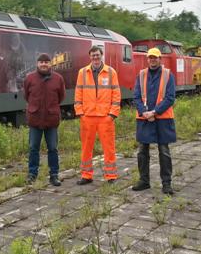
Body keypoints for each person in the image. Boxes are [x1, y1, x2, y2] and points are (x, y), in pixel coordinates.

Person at [132, 47, 177, 195]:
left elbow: (170, 98)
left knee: (164, 151)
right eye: (150, 57)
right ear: (147, 59)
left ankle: (166, 183)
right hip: (144, 118)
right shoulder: (141, 75)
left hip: (162, 118)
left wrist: (154, 112)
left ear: (160, 59)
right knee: (142, 151)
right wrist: (144, 112)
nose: (152, 60)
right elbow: (137, 97)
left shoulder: (168, 75)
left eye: (155, 57)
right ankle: (144, 181)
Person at [74, 45, 121, 185]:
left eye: (97, 55)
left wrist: (112, 114)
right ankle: (86, 175)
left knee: (109, 148)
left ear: (102, 56)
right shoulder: (82, 72)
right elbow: (78, 93)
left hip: (105, 117)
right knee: (86, 148)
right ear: (90, 57)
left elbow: (116, 94)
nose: (95, 57)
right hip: (87, 117)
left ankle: (110, 176)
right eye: (93, 55)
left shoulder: (111, 72)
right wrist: (80, 112)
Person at [23, 53, 66, 186]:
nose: (44, 64)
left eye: (46, 62)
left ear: (50, 64)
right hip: (35, 119)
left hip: (51, 119)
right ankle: (32, 174)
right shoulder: (29, 78)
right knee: (33, 148)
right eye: (41, 62)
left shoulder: (58, 78)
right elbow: (26, 96)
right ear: (37, 63)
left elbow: (61, 97)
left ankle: (54, 175)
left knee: (53, 148)